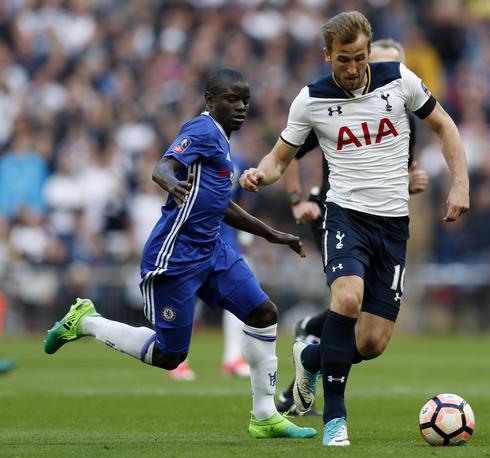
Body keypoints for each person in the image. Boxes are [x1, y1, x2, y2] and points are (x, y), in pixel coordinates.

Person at [44, 68, 317, 440]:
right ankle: (87, 321)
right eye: (231, 99)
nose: (240, 107)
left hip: (214, 250)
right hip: (175, 256)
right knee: (170, 355)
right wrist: (171, 182)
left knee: (263, 312)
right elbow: (164, 166)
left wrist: (273, 234)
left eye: (245, 101)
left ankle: (265, 415)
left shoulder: (222, 142)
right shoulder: (202, 130)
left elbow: (222, 205)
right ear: (209, 100)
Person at [240, 12, 469, 446]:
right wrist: (259, 174)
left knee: (371, 342)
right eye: (343, 59)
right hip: (344, 216)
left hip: (394, 224)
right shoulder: (311, 99)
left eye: (360, 58)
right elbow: (279, 159)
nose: (353, 67)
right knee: (347, 298)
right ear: (328, 55)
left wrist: (460, 185)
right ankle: (336, 420)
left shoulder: (399, 79)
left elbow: (445, 127)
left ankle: (311, 356)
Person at [275, 37, 429, 415]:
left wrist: (408, 182)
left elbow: (395, 171)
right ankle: (331, 412)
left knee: (368, 331)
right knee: (349, 301)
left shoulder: (406, 112)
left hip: (386, 221)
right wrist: (298, 200)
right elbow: (288, 151)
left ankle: (309, 347)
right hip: (339, 212)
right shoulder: (332, 103)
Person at [169, 152, 253, 381]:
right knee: (189, 296)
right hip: (196, 238)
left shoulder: (237, 160)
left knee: (239, 296)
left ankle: (233, 357)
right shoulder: (188, 157)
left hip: (227, 239)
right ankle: (178, 359)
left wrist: (245, 235)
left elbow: (241, 199)